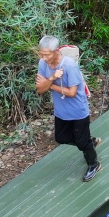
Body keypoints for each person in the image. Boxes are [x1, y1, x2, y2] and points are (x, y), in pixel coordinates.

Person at [36, 35, 100, 182]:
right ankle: (91, 141)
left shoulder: (69, 65)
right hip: (61, 110)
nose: (44, 58)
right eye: (42, 54)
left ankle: (93, 164)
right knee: (61, 138)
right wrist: (51, 78)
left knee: (82, 142)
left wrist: (49, 84)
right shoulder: (42, 63)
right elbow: (40, 89)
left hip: (77, 110)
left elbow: (72, 92)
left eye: (47, 54)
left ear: (57, 51)